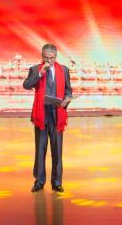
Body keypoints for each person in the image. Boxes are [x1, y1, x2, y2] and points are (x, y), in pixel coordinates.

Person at [23, 44, 73, 192]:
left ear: (56, 56)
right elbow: (26, 85)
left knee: (57, 151)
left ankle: (56, 182)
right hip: (41, 115)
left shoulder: (64, 70)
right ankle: (39, 182)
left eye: (51, 58)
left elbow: (68, 91)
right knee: (40, 150)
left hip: (57, 114)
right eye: (46, 58)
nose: (49, 61)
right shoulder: (35, 69)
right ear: (42, 56)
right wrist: (40, 74)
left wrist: (66, 101)